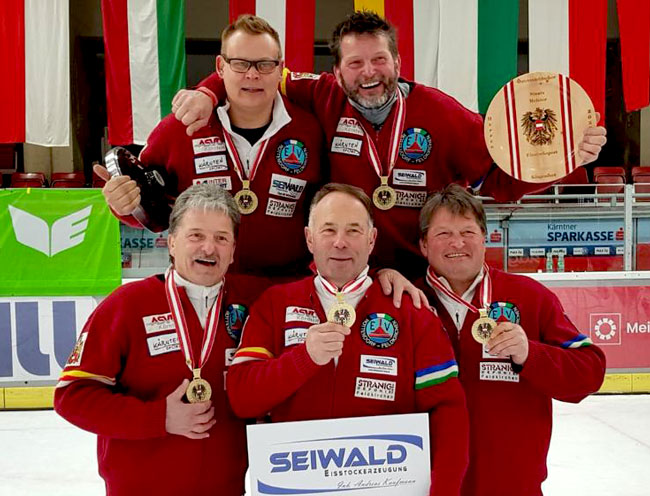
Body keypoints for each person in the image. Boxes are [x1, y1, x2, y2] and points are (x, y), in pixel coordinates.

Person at [171, 11, 607, 278]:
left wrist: (566, 158)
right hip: (342, 273)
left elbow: (500, 180)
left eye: (379, 59)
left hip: (419, 276)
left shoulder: (442, 114)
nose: (369, 72)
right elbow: (257, 73)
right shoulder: (322, 95)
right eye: (355, 63)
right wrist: (209, 91)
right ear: (336, 72)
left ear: (398, 61)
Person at [226, 183, 470, 495]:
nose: (340, 242)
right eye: (328, 230)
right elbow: (242, 398)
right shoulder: (274, 304)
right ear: (309, 238)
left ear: (372, 239)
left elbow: (448, 412)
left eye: (353, 231)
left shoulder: (412, 312)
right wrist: (304, 358)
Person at [54, 184, 268, 495]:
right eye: (196, 235)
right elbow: (72, 397)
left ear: (234, 250)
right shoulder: (126, 305)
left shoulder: (255, 302)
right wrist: (158, 417)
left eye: (221, 238)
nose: (209, 248)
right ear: (171, 242)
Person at [96, 14, 324, 278]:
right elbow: (148, 207)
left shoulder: (310, 131)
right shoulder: (180, 128)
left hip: (286, 286)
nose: (252, 74)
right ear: (220, 67)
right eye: (240, 64)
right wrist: (124, 204)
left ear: (280, 68)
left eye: (264, 64)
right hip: (203, 285)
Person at [415, 183, 606, 496]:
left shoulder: (530, 297)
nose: (457, 242)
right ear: (423, 245)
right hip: (426, 486)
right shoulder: (406, 302)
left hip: (512, 486)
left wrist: (531, 354)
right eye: (443, 233)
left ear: (485, 237)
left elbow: (590, 373)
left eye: (467, 232)